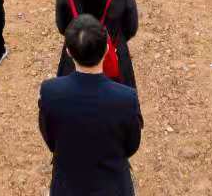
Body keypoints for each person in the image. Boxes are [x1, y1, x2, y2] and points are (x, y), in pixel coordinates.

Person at [40, 15, 143, 195]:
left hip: (68, 186)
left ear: (69, 52)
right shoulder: (126, 98)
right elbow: (131, 145)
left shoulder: (50, 92)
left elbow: (51, 139)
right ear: (106, 49)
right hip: (113, 186)